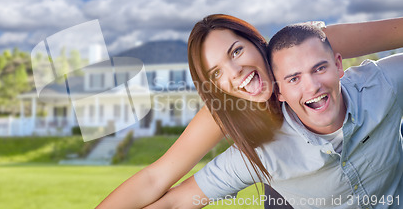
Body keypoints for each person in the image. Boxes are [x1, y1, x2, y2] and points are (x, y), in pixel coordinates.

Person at [97, 15, 403, 208]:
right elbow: (156, 179)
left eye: (236, 51)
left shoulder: (306, 46)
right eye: (216, 73)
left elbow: (397, 32)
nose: (235, 71)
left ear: (258, 44)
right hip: (285, 179)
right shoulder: (225, 109)